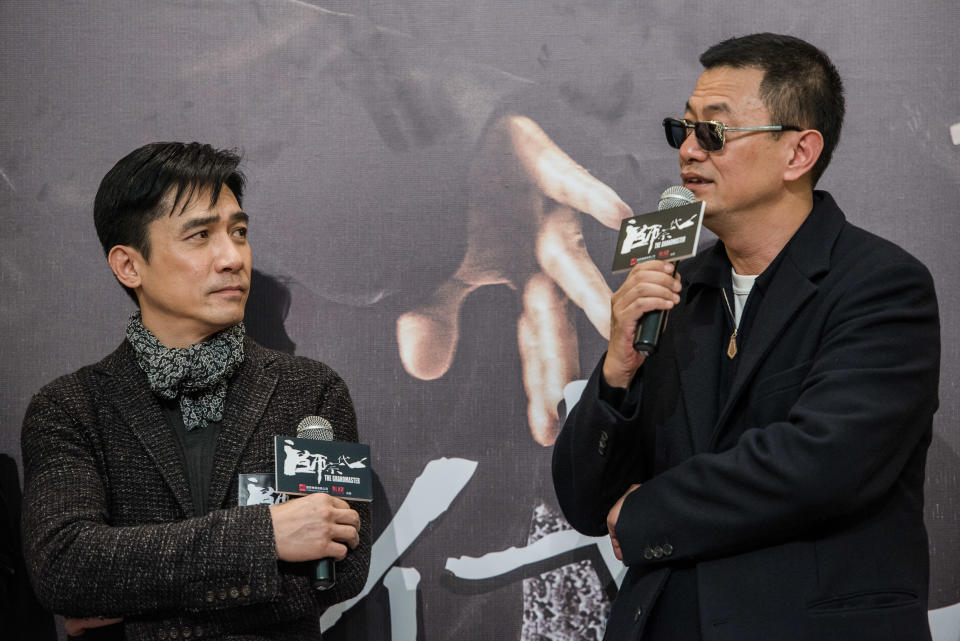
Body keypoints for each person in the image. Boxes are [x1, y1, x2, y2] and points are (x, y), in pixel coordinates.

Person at [552, 33, 940, 641]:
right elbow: (584, 504)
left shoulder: (881, 284)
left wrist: (650, 512)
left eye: (713, 132)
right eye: (680, 128)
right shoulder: (673, 290)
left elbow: (821, 462)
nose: (687, 151)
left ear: (798, 152)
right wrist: (617, 370)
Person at [20, 142, 371, 640]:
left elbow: (339, 573)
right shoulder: (69, 409)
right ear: (128, 266)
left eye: (239, 232)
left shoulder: (310, 393)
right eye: (200, 235)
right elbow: (67, 569)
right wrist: (267, 536)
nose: (232, 257)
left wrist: (137, 608)